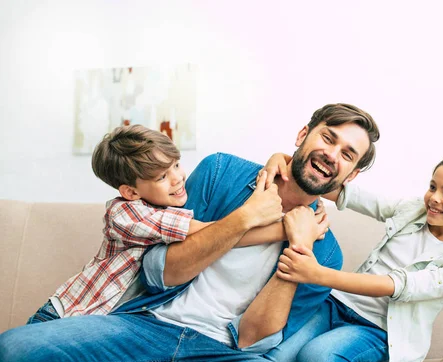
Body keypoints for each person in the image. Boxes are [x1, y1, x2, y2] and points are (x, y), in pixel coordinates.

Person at [0, 103, 380, 362]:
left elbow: (252, 339)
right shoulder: (222, 172)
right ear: (302, 135)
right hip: (147, 326)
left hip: (222, 356)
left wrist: (298, 246)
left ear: (351, 176)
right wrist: (248, 219)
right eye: (327, 139)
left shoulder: (326, 255)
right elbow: (160, 270)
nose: (332, 155)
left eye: (347, 155)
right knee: (12, 351)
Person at [261, 154, 443, 362]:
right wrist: (283, 161)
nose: (434, 198)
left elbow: (395, 286)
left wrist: (315, 274)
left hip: (378, 330)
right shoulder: (412, 209)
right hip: (336, 305)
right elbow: (346, 194)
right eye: (432, 187)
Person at [29, 125, 293, 323]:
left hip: (100, 320)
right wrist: (284, 229)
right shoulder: (125, 213)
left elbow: (217, 234)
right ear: (131, 191)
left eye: (176, 165)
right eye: (162, 176)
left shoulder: (166, 204)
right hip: (64, 314)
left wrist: (277, 158)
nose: (178, 178)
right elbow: (213, 231)